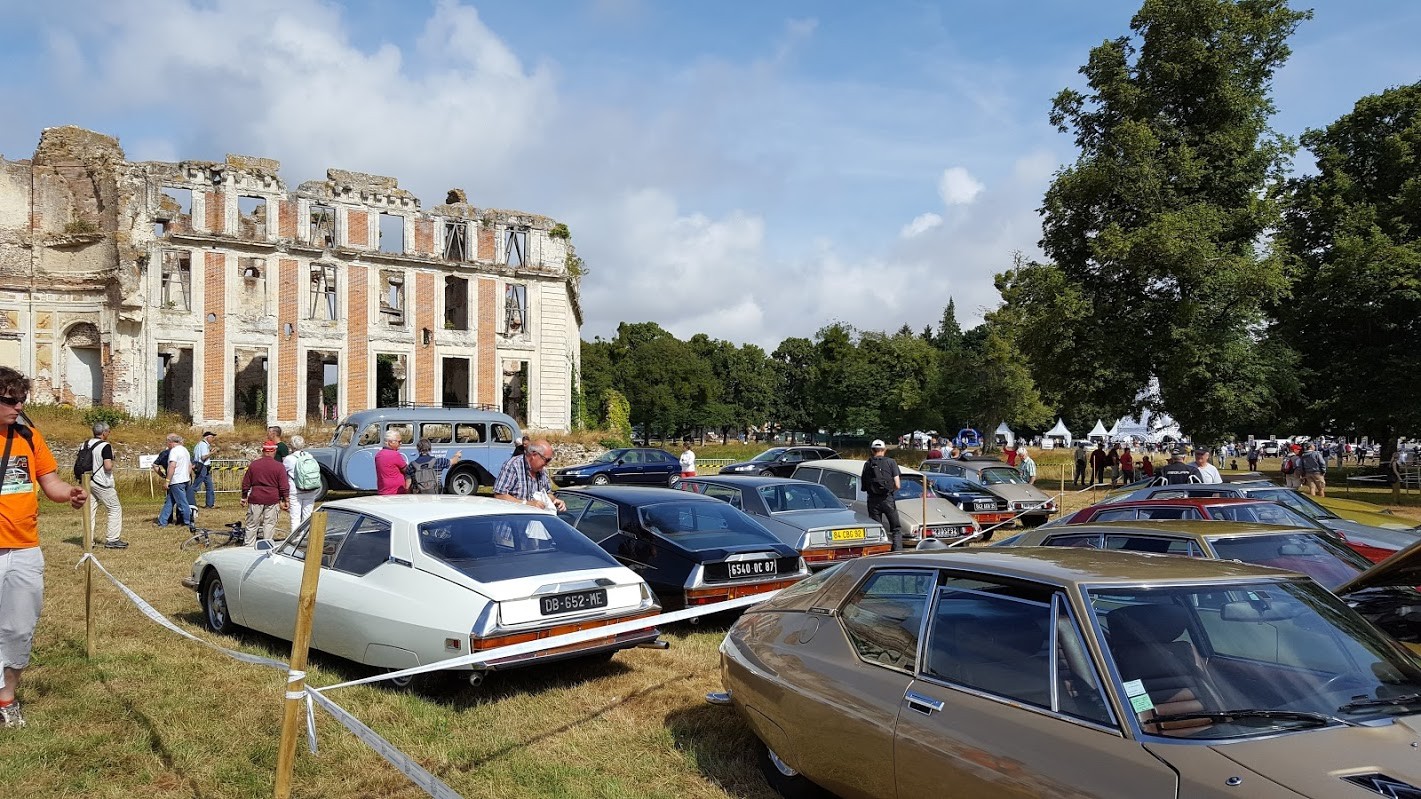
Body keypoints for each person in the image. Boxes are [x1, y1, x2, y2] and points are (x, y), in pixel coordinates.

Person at [0, 367, 87, 729]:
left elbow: (49, 482)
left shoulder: (28, 435)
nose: (19, 406)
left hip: (24, 549)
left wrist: (70, 493)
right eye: (10, 400)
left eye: (22, 400)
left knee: (19, 628)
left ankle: (7, 700)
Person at [81, 421, 125, 549]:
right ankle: (112, 539)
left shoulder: (84, 444)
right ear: (104, 432)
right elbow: (107, 466)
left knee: (90, 511)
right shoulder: (105, 446)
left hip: (86, 479)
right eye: (108, 431)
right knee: (114, 508)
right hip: (101, 481)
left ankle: (88, 540)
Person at [493, 439, 566, 512]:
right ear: (534, 455)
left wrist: (555, 500)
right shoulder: (513, 466)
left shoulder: (543, 471)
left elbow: (547, 494)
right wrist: (526, 504)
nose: (547, 464)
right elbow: (499, 495)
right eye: (546, 460)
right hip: (513, 520)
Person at [240, 441, 289, 546]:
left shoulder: (254, 465)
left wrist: (244, 497)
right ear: (274, 451)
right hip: (272, 498)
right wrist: (286, 499)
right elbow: (284, 486)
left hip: (256, 497)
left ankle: (248, 546)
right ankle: (266, 547)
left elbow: (246, 483)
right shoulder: (279, 466)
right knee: (269, 524)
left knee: (252, 524)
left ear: (263, 451)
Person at [860, 440, 903, 551]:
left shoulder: (867, 464)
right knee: (896, 528)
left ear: (871, 451)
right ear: (885, 450)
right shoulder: (891, 462)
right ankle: (897, 553)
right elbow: (897, 485)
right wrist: (889, 490)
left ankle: (879, 552)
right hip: (888, 499)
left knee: (877, 529)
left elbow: (864, 487)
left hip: (873, 501)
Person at [283, 435, 322, 532]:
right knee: (307, 516)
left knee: (295, 517)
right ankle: (307, 538)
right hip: (310, 489)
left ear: (292, 446)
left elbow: (283, 473)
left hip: (295, 491)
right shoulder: (309, 456)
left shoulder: (289, 459)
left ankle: (295, 539)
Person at [156, 434, 192, 528]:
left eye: (167, 442)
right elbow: (189, 466)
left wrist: (167, 480)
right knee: (169, 502)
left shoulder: (174, 451)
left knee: (182, 503)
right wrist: (187, 477)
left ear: (170, 442)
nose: (167, 445)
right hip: (184, 479)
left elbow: (172, 466)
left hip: (176, 481)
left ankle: (188, 522)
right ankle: (162, 521)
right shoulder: (185, 450)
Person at [374, 430, 408, 495]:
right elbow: (407, 470)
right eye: (399, 441)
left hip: (383, 489)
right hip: (396, 491)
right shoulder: (395, 455)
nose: (401, 443)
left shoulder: (378, 455)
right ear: (390, 442)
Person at [190, 430, 217, 509]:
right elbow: (203, 457)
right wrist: (211, 453)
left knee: (209, 486)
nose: (213, 439)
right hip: (203, 467)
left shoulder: (199, 444)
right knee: (195, 486)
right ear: (207, 437)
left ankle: (210, 504)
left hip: (201, 467)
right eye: (212, 437)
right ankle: (188, 501)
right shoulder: (204, 445)